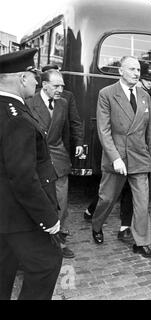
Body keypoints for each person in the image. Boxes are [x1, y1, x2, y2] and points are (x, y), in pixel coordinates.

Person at [0, 48, 62, 300]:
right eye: (33, 75)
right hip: (18, 213)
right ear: (22, 78)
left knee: (4, 267)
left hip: (5, 213)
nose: (37, 81)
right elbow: (23, 176)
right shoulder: (17, 117)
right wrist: (47, 217)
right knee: (47, 263)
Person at [91, 56, 151, 260]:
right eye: (132, 69)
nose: (137, 73)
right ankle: (96, 225)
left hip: (139, 157)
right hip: (117, 158)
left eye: (138, 69)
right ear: (121, 71)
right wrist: (115, 158)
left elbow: (149, 130)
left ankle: (141, 243)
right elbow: (104, 130)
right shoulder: (107, 94)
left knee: (141, 202)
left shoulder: (145, 95)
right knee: (107, 198)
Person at [27, 70, 84, 259]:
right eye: (56, 86)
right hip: (37, 158)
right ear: (44, 85)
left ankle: (58, 241)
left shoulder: (63, 103)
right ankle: (38, 243)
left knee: (61, 202)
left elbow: (70, 127)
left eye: (62, 86)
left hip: (59, 158)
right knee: (40, 201)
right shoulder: (29, 103)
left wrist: (77, 145)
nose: (60, 90)